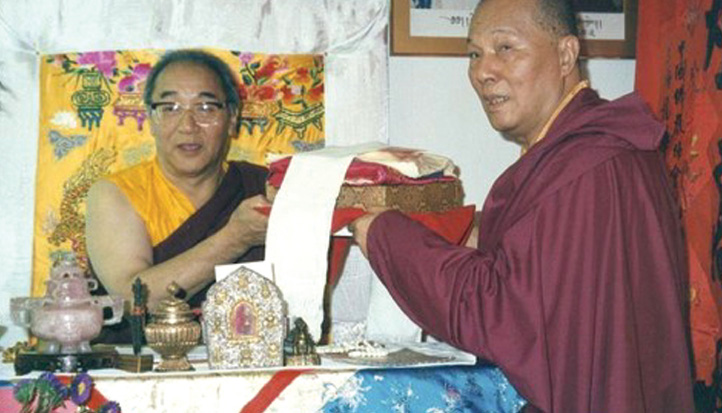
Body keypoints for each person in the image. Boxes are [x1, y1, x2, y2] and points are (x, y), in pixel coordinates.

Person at [349, 0, 694, 411]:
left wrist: (384, 234)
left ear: (565, 54)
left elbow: (506, 315)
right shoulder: (597, 150)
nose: (482, 71)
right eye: (474, 53)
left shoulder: (587, 167)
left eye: (505, 48)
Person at [85, 50, 270, 342]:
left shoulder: (261, 187)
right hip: (141, 367)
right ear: (151, 119)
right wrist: (236, 238)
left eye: (206, 108)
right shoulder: (116, 194)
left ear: (232, 118)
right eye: (170, 107)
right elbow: (133, 299)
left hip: (247, 358)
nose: (188, 125)